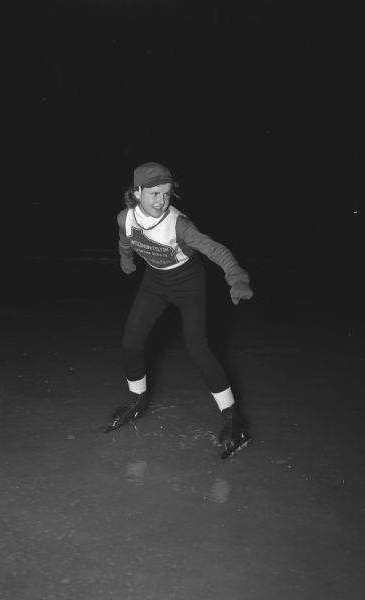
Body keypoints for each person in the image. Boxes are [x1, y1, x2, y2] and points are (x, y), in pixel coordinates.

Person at [104, 162, 254, 458]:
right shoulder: (124, 218)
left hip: (188, 283)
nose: (161, 201)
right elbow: (125, 239)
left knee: (198, 347)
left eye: (167, 194)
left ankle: (233, 416)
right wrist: (125, 260)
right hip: (154, 282)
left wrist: (236, 277)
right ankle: (138, 400)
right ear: (137, 192)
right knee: (131, 343)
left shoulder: (179, 224)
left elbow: (215, 249)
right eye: (154, 194)